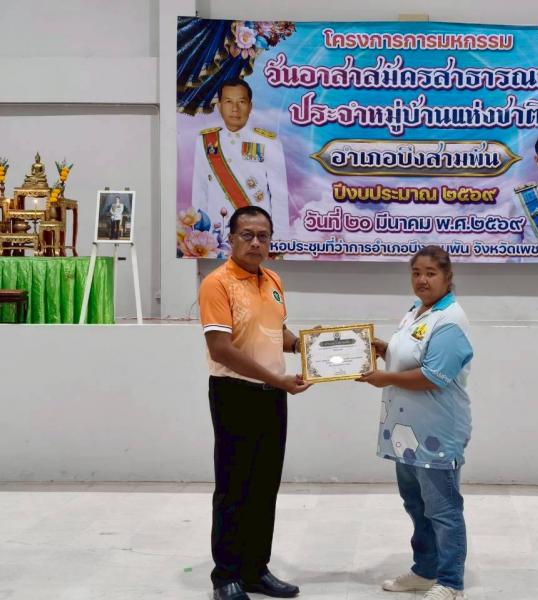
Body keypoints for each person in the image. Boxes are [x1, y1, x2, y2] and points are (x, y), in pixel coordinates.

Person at [198, 205, 311, 600]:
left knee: (264, 486)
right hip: (235, 394)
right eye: (247, 235)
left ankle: (255, 569)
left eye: (263, 236)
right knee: (234, 486)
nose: (255, 243)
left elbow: (277, 330)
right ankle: (226, 575)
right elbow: (221, 348)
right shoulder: (217, 283)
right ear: (231, 238)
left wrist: (308, 346)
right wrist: (276, 379)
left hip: (272, 397)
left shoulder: (273, 279)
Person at [358, 245, 473, 600]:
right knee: (417, 505)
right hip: (407, 433)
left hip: (436, 431)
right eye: (416, 273)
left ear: (448, 277)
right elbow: (409, 356)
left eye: (431, 273)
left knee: (444, 509)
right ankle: (425, 571)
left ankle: (450, 582)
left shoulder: (449, 319)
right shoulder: (416, 311)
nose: (422, 280)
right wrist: (382, 349)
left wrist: (386, 378)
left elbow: (434, 376)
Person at [191, 78, 290, 244]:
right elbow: (200, 192)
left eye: (241, 102)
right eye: (228, 102)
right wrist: (198, 236)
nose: (235, 108)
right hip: (217, 237)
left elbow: (279, 196)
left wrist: (279, 241)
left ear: (250, 107)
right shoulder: (205, 141)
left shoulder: (268, 142)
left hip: (255, 238)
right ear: (219, 106)